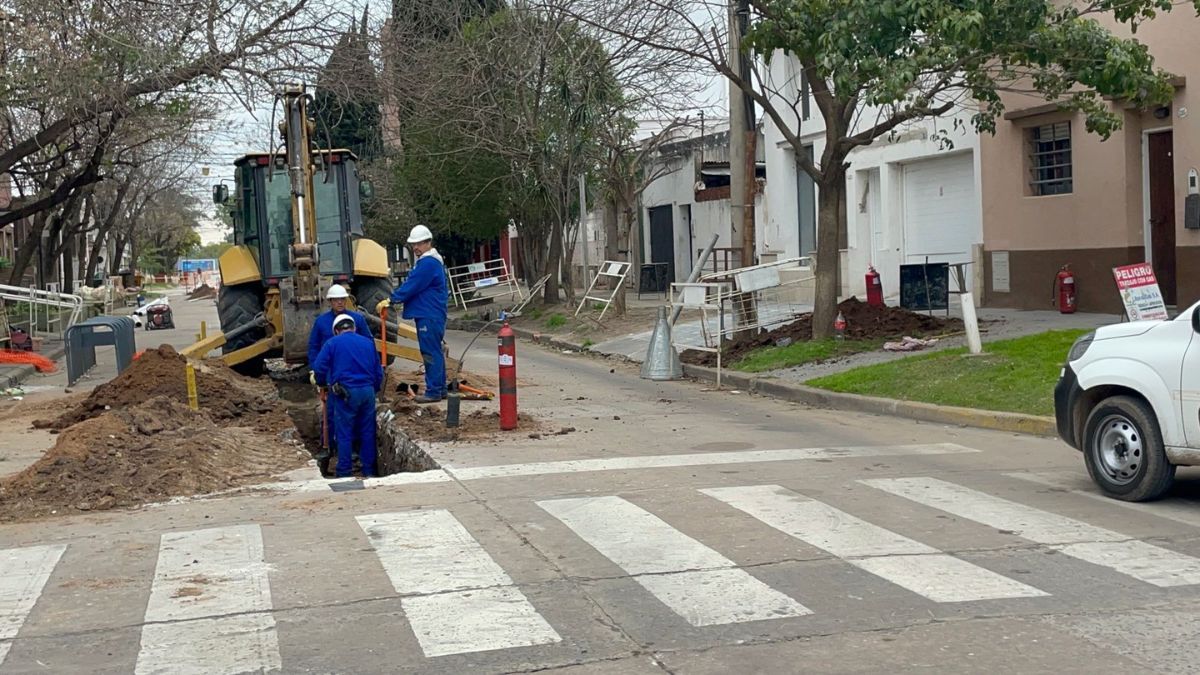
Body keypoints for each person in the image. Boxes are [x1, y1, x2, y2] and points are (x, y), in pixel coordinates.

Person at [376, 224, 448, 404]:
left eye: (419, 244)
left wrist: (391, 300)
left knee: (430, 352)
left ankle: (433, 391)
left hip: (429, 314)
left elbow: (412, 285)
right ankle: (440, 388)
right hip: (431, 313)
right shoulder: (430, 261)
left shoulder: (428, 263)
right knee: (434, 351)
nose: (415, 247)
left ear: (428, 243)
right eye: (413, 244)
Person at [311, 314, 384, 478]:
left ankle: (344, 471)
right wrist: (375, 390)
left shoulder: (332, 343)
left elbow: (319, 368)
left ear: (336, 331)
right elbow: (378, 373)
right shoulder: (368, 343)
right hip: (367, 392)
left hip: (345, 393)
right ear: (354, 328)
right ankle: (369, 471)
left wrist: (322, 383)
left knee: (344, 433)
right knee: (367, 431)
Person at [308, 284, 373, 369]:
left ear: (346, 300)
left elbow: (369, 341)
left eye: (342, 299)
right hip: (330, 366)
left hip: (353, 364)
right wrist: (314, 368)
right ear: (330, 301)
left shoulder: (358, 319)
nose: (340, 302)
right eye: (336, 299)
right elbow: (314, 346)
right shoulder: (321, 321)